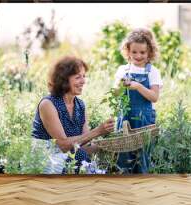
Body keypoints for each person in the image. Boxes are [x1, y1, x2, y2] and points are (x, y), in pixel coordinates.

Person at [32, 56, 115, 174]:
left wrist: (107, 145)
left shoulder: (80, 106)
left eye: (84, 76)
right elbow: (63, 145)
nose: (83, 81)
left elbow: (83, 144)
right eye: (78, 77)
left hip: (69, 158)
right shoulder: (48, 104)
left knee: (80, 154)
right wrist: (98, 131)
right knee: (80, 156)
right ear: (64, 80)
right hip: (45, 160)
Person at [114, 28, 163, 174]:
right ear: (128, 51)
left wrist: (138, 86)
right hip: (125, 119)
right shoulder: (123, 70)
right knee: (124, 156)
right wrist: (120, 85)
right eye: (134, 52)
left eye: (142, 52)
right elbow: (115, 94)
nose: (138, 56)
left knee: (142, 157)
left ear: (150, 53)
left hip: (144, 120)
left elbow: (154, 97)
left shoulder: (153, 71)